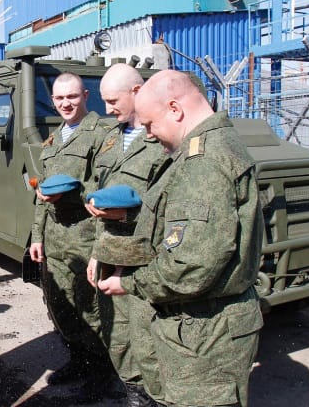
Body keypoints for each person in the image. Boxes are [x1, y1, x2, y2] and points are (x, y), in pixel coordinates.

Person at [96, 70, 264, 407]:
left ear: (175, 109)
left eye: (150, 124)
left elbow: (190, 266)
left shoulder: (203, 162)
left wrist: (129, 283)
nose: (148, 133)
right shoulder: (205, 148)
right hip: (201, 329)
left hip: (205, 335)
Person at [28, 72, 123, 403]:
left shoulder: (102, 135)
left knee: (91, 309)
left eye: (71, 96)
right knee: (62, 306)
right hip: (55, 238)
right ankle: (79, 361)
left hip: (85, 236)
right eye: (59, 98)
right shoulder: (54, 140)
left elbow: (108, 189)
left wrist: (71, 194)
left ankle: (102, 374)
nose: (65, 103)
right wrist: (37, 236)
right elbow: (41, 193)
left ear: (85, 96)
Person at [84, 64, 166, 407]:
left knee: (147, 336)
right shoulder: (110, 137)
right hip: (110, 250)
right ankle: (133, 391)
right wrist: (96, 251)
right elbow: (96, 186)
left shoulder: (162, 137)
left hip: (145, 256)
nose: (107, 109)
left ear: (137, 91)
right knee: (116, 331)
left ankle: (154, 395)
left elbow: (171, 202)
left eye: (113, 101)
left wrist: (130, 213)